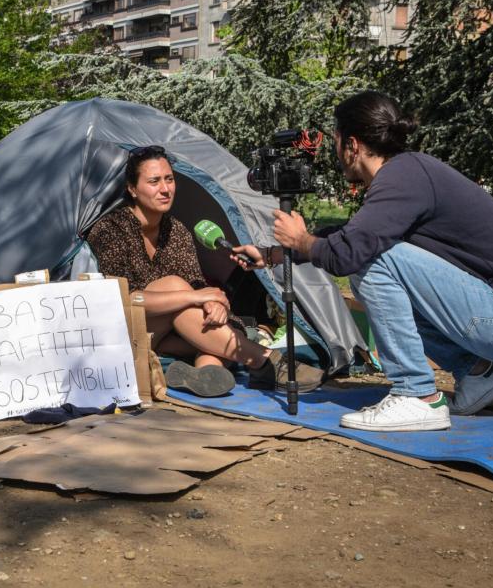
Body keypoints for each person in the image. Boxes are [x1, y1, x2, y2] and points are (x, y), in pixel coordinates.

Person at [233, 91, 493, 432]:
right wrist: (274, 254)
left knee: (372, 263)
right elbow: (352, 235)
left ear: (352, 145)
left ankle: (416, 395)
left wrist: (301, 240)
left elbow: (349, 253)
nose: (335, 153)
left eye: (336, 141)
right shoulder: (406, 173)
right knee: (374, 256)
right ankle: (479, 372)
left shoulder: (403, 178)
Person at [86, 145, 324, 398]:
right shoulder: (111, 230)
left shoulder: (176, 231)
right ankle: (264, 360)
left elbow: (196, 283)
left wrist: (213, 303)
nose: (165, 189)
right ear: (132, 189)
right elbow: (125, 298)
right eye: (154, 181)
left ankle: (206, 372)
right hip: (127, 332)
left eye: (169, 179)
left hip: (167, 336)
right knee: (175, 287)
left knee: (215, 334)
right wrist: (195, 297)